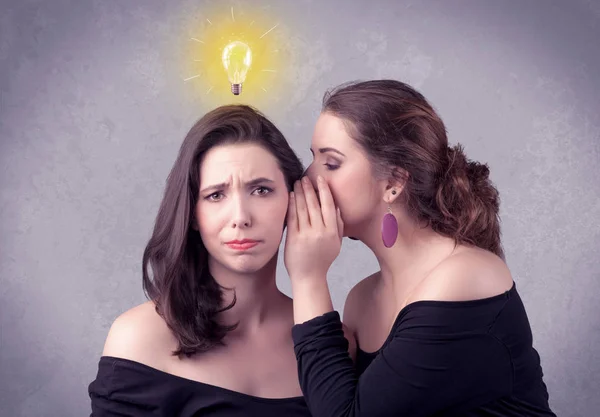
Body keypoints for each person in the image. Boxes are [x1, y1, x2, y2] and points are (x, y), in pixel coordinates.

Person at [284, 80, 557, 416]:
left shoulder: (465, 277)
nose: (307, 178)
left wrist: (308, 278)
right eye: (313, 159)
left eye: (331, 163)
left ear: (394, 183)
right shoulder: (361, 300)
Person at [88, 105, 313, 416]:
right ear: (192, 214)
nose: (240, 217)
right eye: (216, 195)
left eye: (261, 190)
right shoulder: (139, 337)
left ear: (293, 200)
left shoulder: (330, 341)